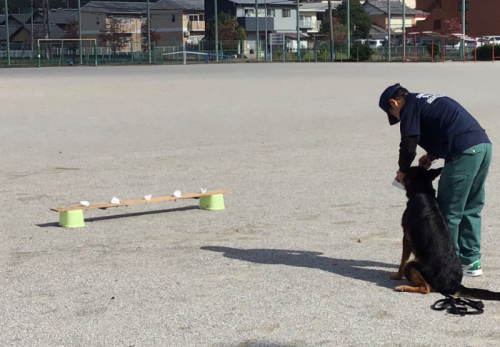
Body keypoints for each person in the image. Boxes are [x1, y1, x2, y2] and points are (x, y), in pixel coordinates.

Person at [379, 83, 492, 277]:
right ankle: (471, 261)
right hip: (482, 147)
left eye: (394, 114)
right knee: (471, 207)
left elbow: (408, 145)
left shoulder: (408, 107)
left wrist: (403, 170)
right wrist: (431, 156)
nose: (398, 118)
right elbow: (446, 127)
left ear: (394, 102)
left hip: (462, 152)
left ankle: (447, 268)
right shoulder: (427, 99)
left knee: (448, 211)